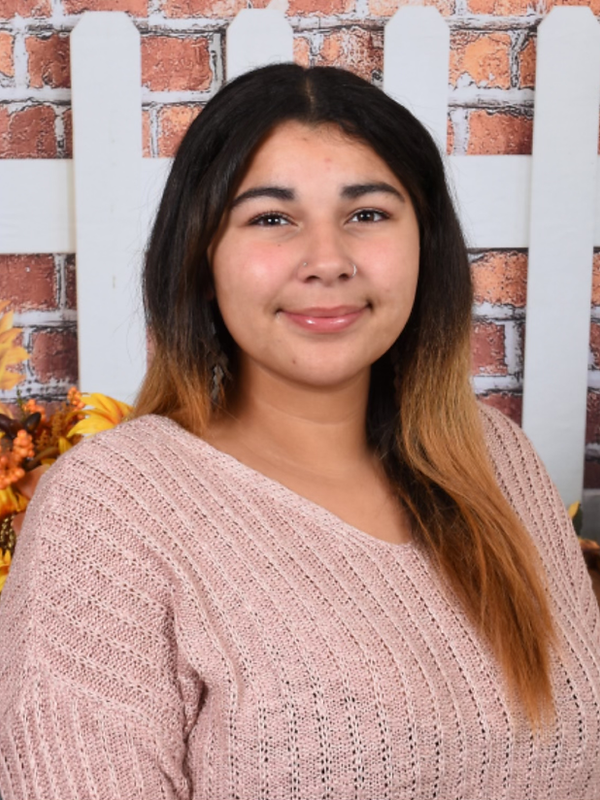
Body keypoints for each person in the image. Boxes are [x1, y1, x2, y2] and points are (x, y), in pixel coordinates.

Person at [0, 63, 599, 800]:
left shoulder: (499, 459)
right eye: (271, 219)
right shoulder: (111, 511)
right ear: (202, 256)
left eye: (368, 214)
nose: (328, 262)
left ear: (427, 244)